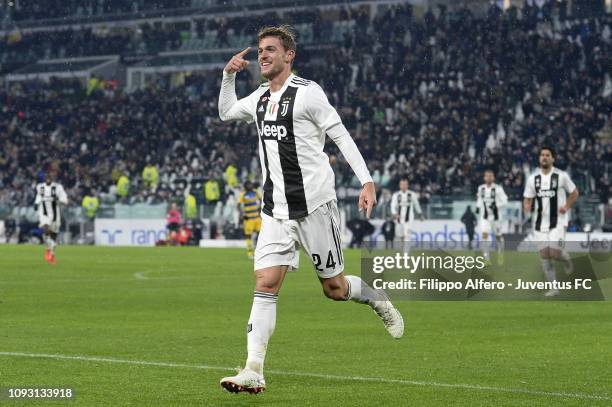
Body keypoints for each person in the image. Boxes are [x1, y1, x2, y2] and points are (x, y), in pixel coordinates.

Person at [218, 25, 403, 394]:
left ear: (289, 56)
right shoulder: (257, 98)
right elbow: (225, 113)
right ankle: (254, 369)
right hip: (275, 212)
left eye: (271, 49)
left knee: (334, 289)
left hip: (315, 208)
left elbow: (340, 135)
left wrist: (366, 180)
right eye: (260, 50)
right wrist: (227, 76)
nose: (263, 55)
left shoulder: (308, 94)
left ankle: (376, 298)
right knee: (265, 284)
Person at [523, 146, 579, 297]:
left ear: (553, 159)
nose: (544, 157)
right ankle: (554, 288)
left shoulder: (561, 176)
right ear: (539, 158)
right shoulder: (532, 179)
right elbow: (527, 197)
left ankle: (566, 258)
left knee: (554, 253)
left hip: (558, 221)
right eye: (542, 155)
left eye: (547, 155)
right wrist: (527, 205)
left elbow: (574, 193)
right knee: (544, 255)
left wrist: (566, 206)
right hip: (539, 223)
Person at [34, 170, 68, 265]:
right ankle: (49, 249)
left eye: (50, 177)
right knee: (45, 228)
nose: (48, 179)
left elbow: (65, 200)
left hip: (55, 214)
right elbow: (38, 196)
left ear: (52, 178)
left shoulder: (58, 187)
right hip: (43, 212)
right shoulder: (40, 187)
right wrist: (36, 203)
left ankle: (51, 252)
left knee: (53, 235)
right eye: (46, 177)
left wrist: (60, 201)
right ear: (45, 178)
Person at [476, 169, 508, 264]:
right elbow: (479, 199)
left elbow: (505, 201)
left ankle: (500, 254)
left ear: (493, 178)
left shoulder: (498, 189)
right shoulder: (481, 188)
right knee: (484, 235)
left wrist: (496, 205)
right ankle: (486, 258)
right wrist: (477, 206)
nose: (489, 178)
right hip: (485, 217)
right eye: (487, 176)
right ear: (484, 177)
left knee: (498, 236)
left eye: (491, 176)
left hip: (496, 217)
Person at [390, 177, 423, 248]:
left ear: (407, 185)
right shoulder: (396, 195)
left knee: (407, 237)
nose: (404, 186)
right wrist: (394, 213)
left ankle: (405, 256)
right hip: (398, 219)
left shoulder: (412, 194)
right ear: (400, 185)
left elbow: (416, 205)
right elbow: (392, 205)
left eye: (405, 184)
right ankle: (401, 253)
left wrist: (420, 214)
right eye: (402, 184)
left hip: (409, 220)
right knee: (399, 236)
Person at [237, 181, 262, 259]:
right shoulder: (243, 194)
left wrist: (260, 208)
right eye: (248, 184)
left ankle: (260, 252)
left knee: (261, 235)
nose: (250, 185)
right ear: (245, 186)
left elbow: (261, 200)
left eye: (250, 184)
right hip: (248, 219)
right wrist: (242, 215)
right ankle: (250, 253)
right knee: (248, 236)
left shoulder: (256, 192)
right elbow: (238, 205)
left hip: (257, 218)